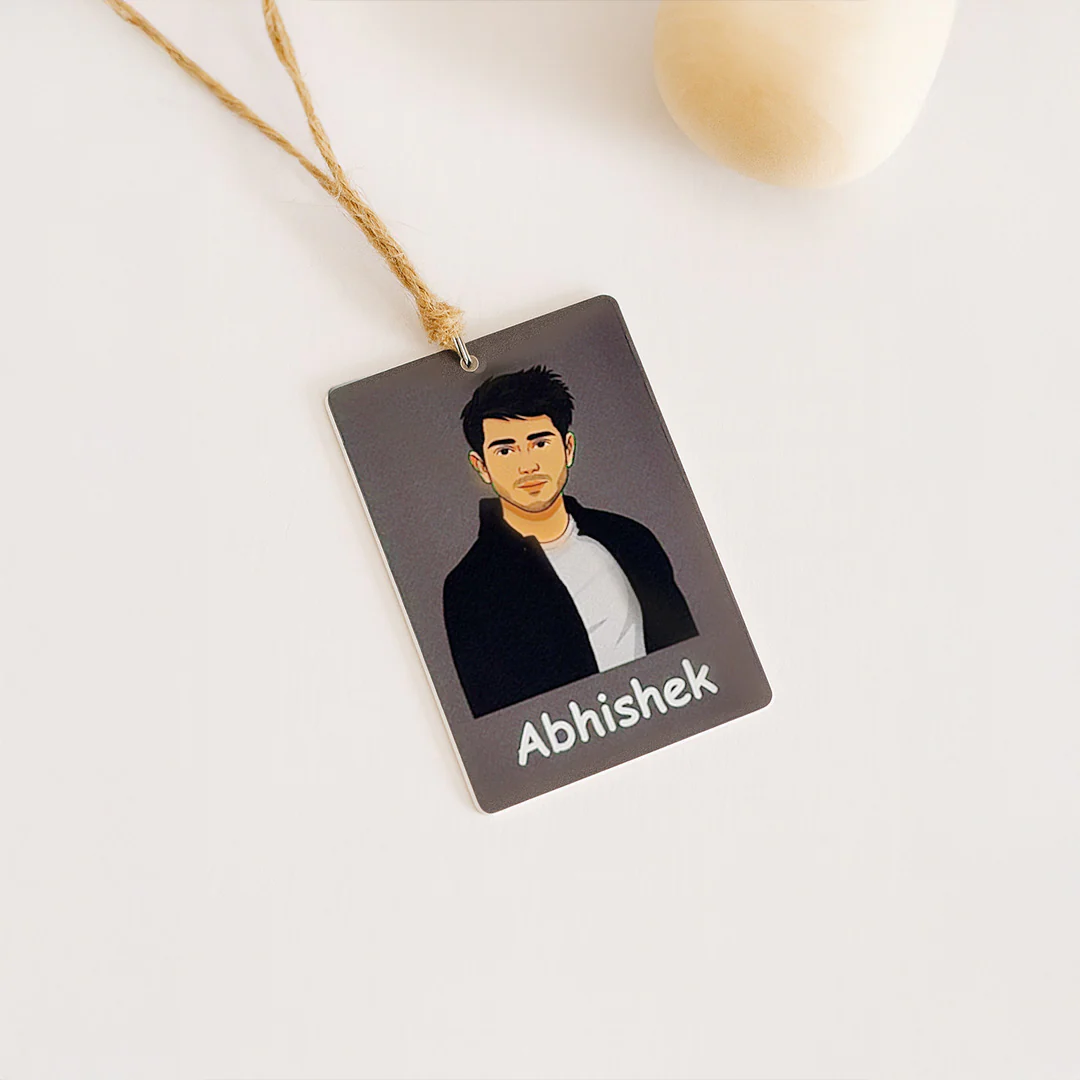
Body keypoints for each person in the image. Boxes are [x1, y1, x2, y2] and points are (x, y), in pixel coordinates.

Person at [443, 366, 697, 717]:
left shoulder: (630, 539)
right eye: (505, 451)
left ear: (568, 448)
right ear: (481, 466)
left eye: (540, 443)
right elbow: (504, 718)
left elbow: (688, 653)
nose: (527, 465)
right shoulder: (470, 587)